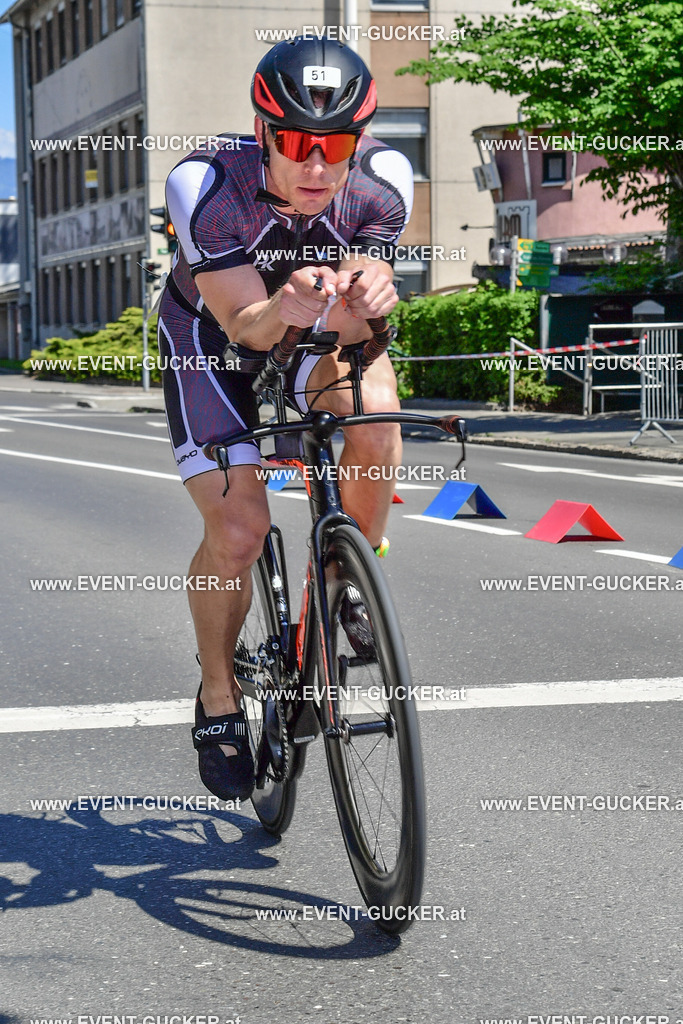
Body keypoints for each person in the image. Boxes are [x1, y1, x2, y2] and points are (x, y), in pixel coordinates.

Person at [158, 35, 414, 802]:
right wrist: (289, 305)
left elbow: (365, 284)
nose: (315, 167)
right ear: (264, 131)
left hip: (315, 327)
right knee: (236, 533)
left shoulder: (382, 180)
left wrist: (370, 296)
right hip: (215, 340)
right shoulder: (205, 183)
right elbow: (245, 326)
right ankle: (216, 695)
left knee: (374, 412)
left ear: (358, 140)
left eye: (334, 146)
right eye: (297, 144)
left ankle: (343, 578)